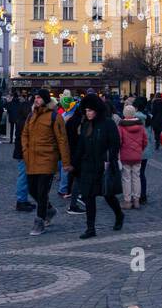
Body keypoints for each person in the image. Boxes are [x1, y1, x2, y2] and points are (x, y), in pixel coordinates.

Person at [72, 94, 124, 239]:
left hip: (103, 166)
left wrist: (110, 160)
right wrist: (74, 163)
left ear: (96, 110)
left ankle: (119, 214)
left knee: (108, 195)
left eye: (90, 110)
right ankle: (90, 228)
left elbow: (115, 144)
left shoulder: (108, 124)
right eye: (86, 110)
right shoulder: (86, 125)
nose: (87, 113)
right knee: (89, 197)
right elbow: (81, 146)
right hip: (87, 166)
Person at [23, 89, 70, 235]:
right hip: (32, 159)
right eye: (35, 97)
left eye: (39, 97)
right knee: (32, 189)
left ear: (45, 99)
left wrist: (66, 162)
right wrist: (26, 151)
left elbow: (62, 140)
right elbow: (24, 134)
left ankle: (39, 221)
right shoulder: (31, 115)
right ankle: (49, 210)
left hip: (48, 159)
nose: (36, 100)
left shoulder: (55, 117)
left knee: (42, 192)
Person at [118, 105, 148, 210]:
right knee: (136, 177)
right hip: (137, 155)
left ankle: (127, 201)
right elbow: (145, 141)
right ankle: (136, 200)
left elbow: (119, 141)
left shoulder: (121, 126)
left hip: (125, 156)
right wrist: (140, 149)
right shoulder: (140, 126)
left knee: (126, 178)